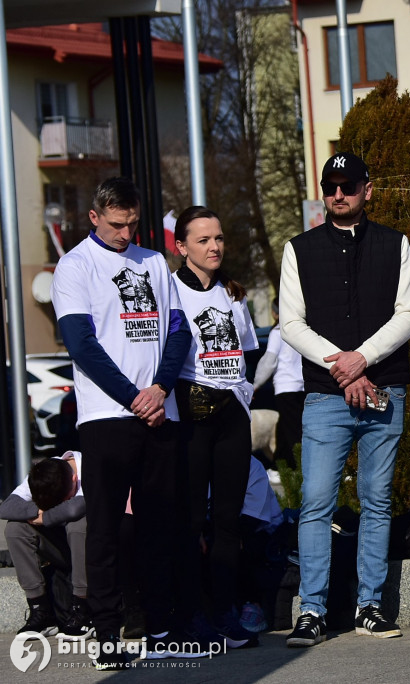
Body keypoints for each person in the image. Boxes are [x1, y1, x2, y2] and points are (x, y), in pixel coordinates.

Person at [50, 177, 197, 669]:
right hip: (107, 418)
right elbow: (82, 346)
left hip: (160, 414)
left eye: (133, 224)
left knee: (161, 528)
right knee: (107, 531)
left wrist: (158, 389)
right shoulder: (75, 266)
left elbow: (178, 331)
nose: (125, 234)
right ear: (95, 217)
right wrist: (134, 397)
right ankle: (108, 633)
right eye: (116, 225)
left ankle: (160, 626)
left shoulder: (153, 261)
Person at [280, 153, 410, 647]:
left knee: (377, 502)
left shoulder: (394, 243)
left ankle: (370, 606)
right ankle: (312, 611)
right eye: (330, 186)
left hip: (386, 388)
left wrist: (362, 358)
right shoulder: (298, 249)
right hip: (325, 396)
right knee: (316, 502)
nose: (338, 194)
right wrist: (343, 367)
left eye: (348, 185)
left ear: (368, 188)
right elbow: (291, 323)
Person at [172, 205, 260, 648]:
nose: (214, 246)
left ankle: (225, 610)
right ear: (181, 245)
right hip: (190, 417)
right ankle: (190, 614)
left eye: (219, 238)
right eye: (203, 240)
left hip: (231, 417)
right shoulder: (170, 291)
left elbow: (248, 351)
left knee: (228, 519)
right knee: (189, 521)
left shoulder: (233, 293)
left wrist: (242, 395)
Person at [0, 451, 91, 640]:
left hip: (96, 551)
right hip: (62, 547)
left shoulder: (90, 467)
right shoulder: (47, 471)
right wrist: (37, 511)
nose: (62, 503)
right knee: (15, 528)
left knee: (78, 523)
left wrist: (47, 516)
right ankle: (40, 610)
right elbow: (6, 507)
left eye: (65, 498)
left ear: (75, 479)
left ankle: (83, 609)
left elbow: (76, 507)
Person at [252, 296, 306, 470]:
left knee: (292, 430)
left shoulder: (277, 332)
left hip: (286, 386)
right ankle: (279, 465)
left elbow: (270, 360)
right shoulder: (302, 330)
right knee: (284, 427)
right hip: (303, 386)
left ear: (275, 314)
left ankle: (295, 468)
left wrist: (256, 384)